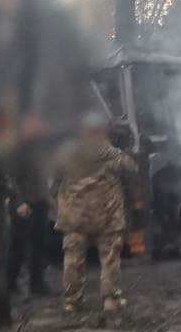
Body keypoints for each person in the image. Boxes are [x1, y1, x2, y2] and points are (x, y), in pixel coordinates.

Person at [52, 111, 137, 314]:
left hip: (75, 217)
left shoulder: (66, 154)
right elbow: (131, 169)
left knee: (72, 259)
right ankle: (110, 299)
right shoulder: (112, 154)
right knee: (109, 259)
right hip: (107, 216)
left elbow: (54, 177)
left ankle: (72, 301)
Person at [6, 149, 51, 296]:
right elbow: (10, 178)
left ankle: (37, 284)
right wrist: (19, 202)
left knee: (38, 244)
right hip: (24, 205)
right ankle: (9, 283)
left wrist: (47, 197)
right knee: (18, 246)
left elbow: (42, 176)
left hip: (40, 203)